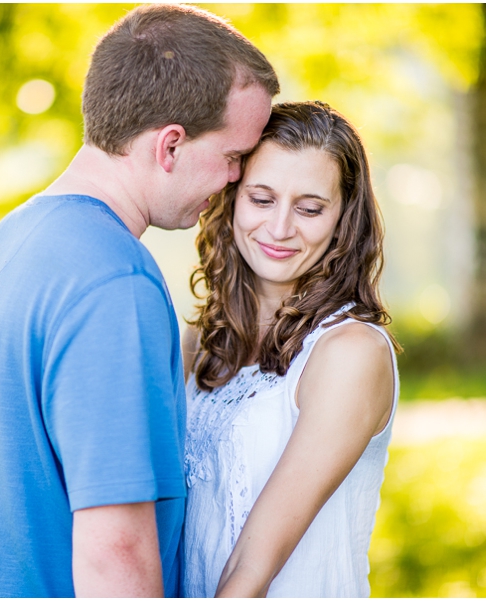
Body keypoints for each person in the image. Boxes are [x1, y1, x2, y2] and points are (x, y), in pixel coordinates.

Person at [0, 4, 279, 598]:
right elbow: (117, 555)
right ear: (170, 146)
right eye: (234, 156)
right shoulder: (115, 283)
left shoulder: (16, 236)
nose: (238, 180)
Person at [181, 101, 400, 597]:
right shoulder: (202, 341)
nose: (280, 229)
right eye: (261, 199)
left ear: (344, 219)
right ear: (230, 197)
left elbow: (252, 567)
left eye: (309, 208)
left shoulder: (349, 352)